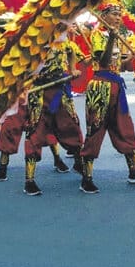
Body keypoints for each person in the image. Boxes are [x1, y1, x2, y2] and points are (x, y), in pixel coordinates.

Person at [79, 2, 135, 194]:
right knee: (95, 128)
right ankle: (87, 177)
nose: (118, 18)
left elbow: (119, 66)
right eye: (115, 14)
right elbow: (103, 61)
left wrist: (130, 59)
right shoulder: (99, 35)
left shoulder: (114, 36)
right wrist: (111, 40)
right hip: (100, 85)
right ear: (104, 15)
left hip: (117, 85)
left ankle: (133, 170)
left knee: (124, 126)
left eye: (120, 15)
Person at [21, 27, 86, 195]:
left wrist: (72, 69)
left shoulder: (65, 43)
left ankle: (80, 163)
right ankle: (29, 179)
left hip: (60, 91)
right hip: (39, 91)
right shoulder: (32, 42)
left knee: (71, 125)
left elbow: (73, 53)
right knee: (34, 130)